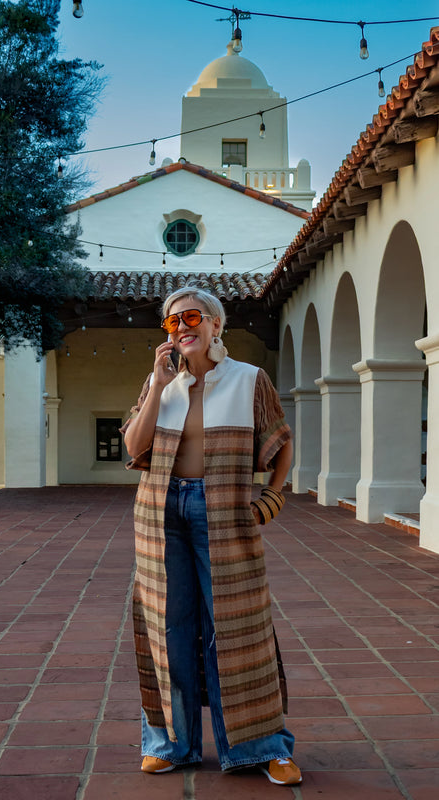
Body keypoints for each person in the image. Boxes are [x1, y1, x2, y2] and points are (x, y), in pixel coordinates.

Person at [120, 286, 301, 785]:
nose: (183, 327)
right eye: (173, 322)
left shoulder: (249, 380)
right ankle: (170, 744)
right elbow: (133, 449)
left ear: (216, 325)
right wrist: (157, 386)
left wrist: (274, 495)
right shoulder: (162, 382)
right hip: (160, 511)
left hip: (222, 511)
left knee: (238, 626)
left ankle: (263, 747)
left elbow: (281, 441)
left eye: (193, 318)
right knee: (168, 629)